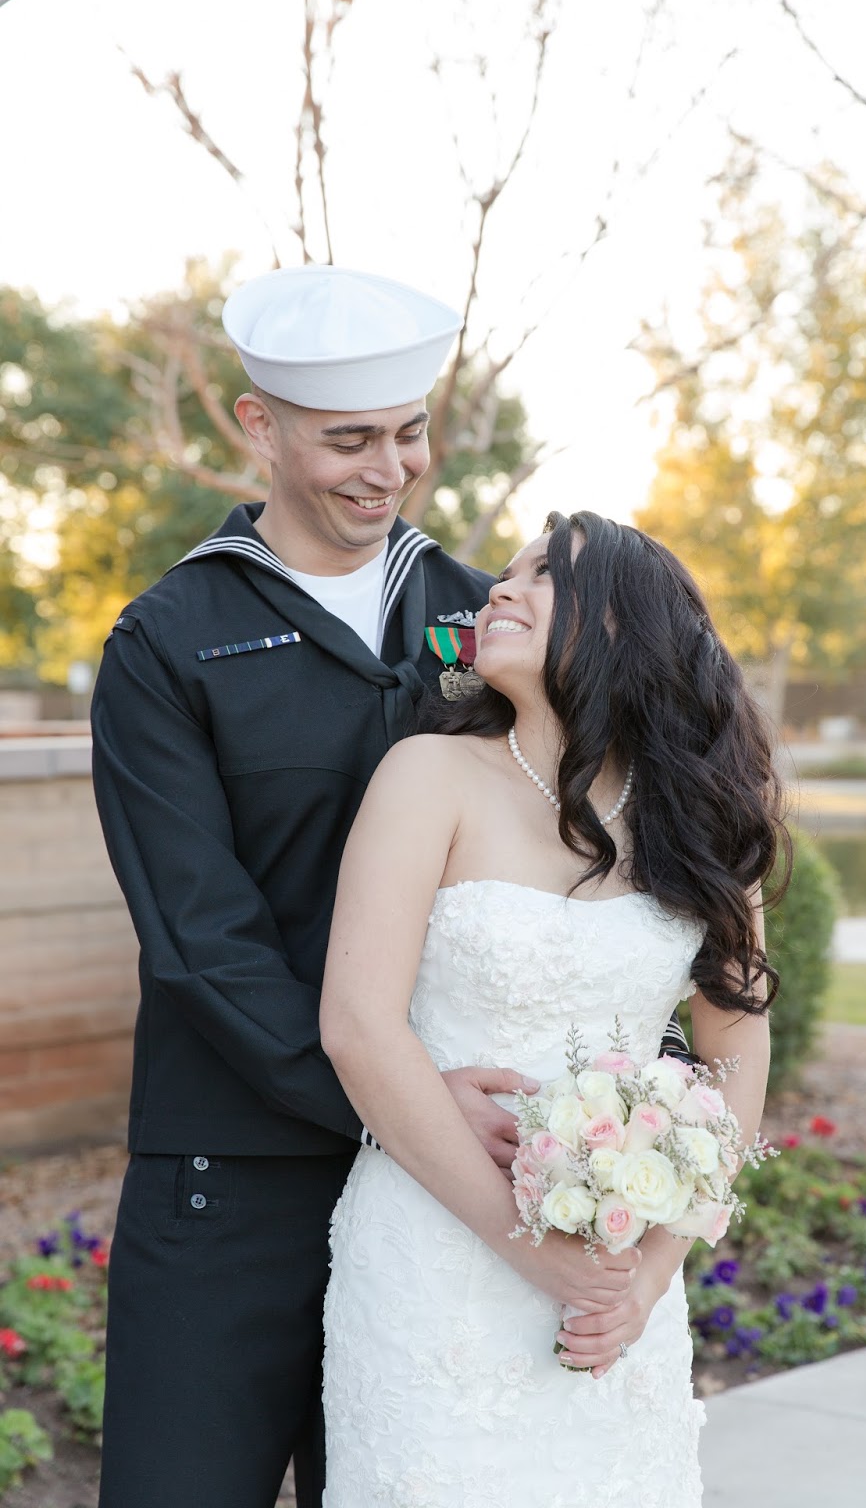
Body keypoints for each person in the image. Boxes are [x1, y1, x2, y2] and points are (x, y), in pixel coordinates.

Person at [91, 266, 692, 1508]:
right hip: (236, 1168)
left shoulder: (494, 613)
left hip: (464, 1196)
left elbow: (611, 848)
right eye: (347, 439)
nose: (388, 467)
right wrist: (390, 1096)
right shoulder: (169, 640)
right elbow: (199, 938)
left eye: (408, 432)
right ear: (259, 426)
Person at [319, 509, 788, 1507]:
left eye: (544, 575)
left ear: (621, 625)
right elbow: (358, 1024)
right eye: (505, 572)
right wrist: (536, 1252)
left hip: (617, 1282)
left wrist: (649, 1273)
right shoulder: (427, 774)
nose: (499, 588)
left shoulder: (703, 816)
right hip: (435, 1255)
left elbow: (736, 1049)